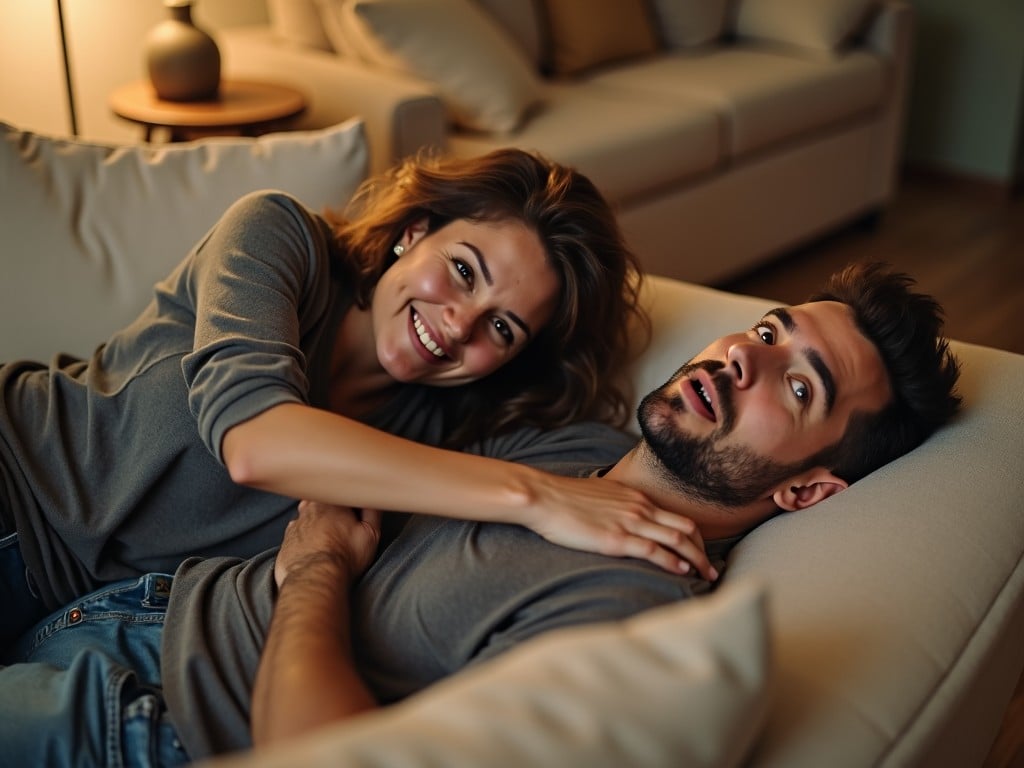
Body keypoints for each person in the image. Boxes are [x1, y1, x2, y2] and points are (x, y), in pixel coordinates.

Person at [0, 263, 962, 767]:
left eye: (798, 387)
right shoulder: (571, 445)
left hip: (158, 724)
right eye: (764, 330)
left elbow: (319, 755)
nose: (743, 360)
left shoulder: (631, 605)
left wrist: (321, 571)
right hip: (112, 598)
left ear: (806, 490)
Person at [0, 147, 709, 652]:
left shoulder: (447, 436)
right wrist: (537, 496)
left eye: (502, 325)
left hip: (83, 617)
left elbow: (609, 465)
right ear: (412, 234)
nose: (459, 323)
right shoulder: (279, 238)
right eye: (463, 270)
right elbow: (255, 441)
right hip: (16, 480)